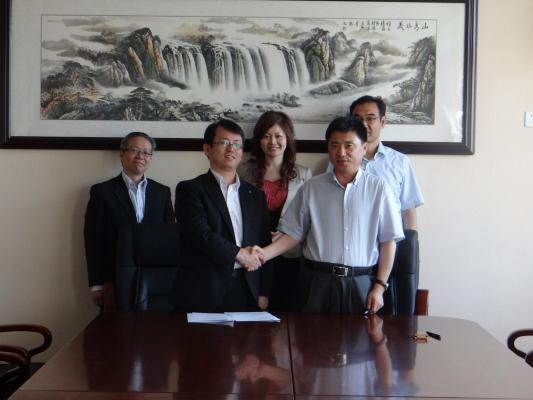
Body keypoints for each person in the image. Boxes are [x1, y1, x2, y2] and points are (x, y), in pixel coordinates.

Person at [255, 116, 404, 314]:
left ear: (364, 148)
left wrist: (379, 286)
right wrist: (261, 255)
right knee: (313, 334)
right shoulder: (311, 188)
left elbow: (388, 241)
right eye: (334, 145)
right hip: (316, 282)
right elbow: (293, 234)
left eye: (349, 146)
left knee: (361, 334)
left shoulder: (379, 189)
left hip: (361, 283)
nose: (341, 152)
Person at [174, 119, 272, 312]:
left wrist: (264, 292)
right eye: (224, 142)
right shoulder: (190, 189)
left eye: (236, 144)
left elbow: (264, 243)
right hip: (204, 289)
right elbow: (199, 234)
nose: (231, 149)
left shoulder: (255, 195)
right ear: (207, 149)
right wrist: (239, 254)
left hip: (247, 289)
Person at [84, 132, 175, 310]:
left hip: (156, 279)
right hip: (114, 277)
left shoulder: (162, 192)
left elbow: (169, 238)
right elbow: (93, 239)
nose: (141, 156)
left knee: (157, 326)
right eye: (134, 150)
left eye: (146, 152)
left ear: (150, 158)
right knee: (116, 325)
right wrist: (96, 284)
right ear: (122, 154)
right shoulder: (102, 192)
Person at [238, 111, 312, 310]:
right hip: (253, 250)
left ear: (288, 138)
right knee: (254, 310)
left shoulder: (304, 174)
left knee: (286, 311)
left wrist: (286, 235)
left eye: (278, 136)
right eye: (266, 136)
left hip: (289, 251)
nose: (272, 142)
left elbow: (308, 218)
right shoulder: (243, 171)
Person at [349, 95, 424, 229]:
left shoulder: (400, 162)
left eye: (370, 118)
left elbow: (408, 209)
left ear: (382, 122)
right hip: (351, 238)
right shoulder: (341, 160)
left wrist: (411, 239)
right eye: (357, 119)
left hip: (391, 239)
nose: (363, 124)